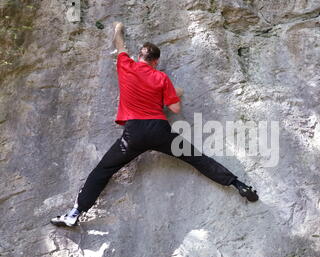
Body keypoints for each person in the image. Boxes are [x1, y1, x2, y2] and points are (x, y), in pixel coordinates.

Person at [50, 22, 258, 227]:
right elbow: (175, 109)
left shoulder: (126, 65)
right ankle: (238, 184)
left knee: (103, 170)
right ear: (156, 61)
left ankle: (75, 213)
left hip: (134, 134)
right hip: (160, 131)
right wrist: (175, 93)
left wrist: (118, 29)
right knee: (197, 158)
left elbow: (120, 46)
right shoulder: (161, 77)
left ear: (139, 57)